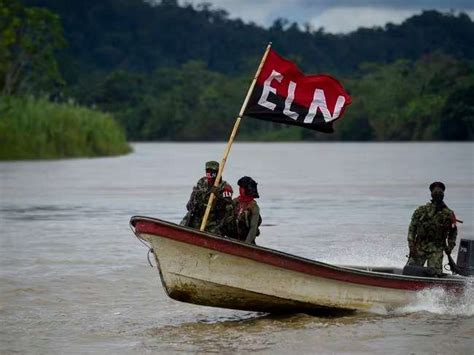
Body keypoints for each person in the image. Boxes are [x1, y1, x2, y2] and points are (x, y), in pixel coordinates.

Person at [406, 181, 458, 277]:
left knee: (435, 275)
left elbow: (453, 232)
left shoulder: (449, 214)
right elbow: (412, 229)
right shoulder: (421, 211)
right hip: (419, 246)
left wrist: (450, 247)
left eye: (440, 192)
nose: (438, 194)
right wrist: (411, 246)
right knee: (411, 272)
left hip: (437, 248)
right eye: (436, 192)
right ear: (432, 194)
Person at [181, 160, 233, 235]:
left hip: (213, 222)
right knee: (185, 225)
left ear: (218, 172)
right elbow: (192, 199)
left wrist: (218, 195)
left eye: (212, 171)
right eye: (207, 171)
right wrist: (192, 203)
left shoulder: (225, 187)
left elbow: (228, 210)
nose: (209, 174)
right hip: (196, 218)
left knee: (213, 232)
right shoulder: (202, 182)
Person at [225, 176, 261, 244]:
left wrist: (246, 244)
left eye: (242, 188)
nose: (239, 190)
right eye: (240, 187)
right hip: (232, 238)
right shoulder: (235, 202)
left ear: (248, 190)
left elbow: (253, 229)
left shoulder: (254, 208)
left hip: (246, 241)